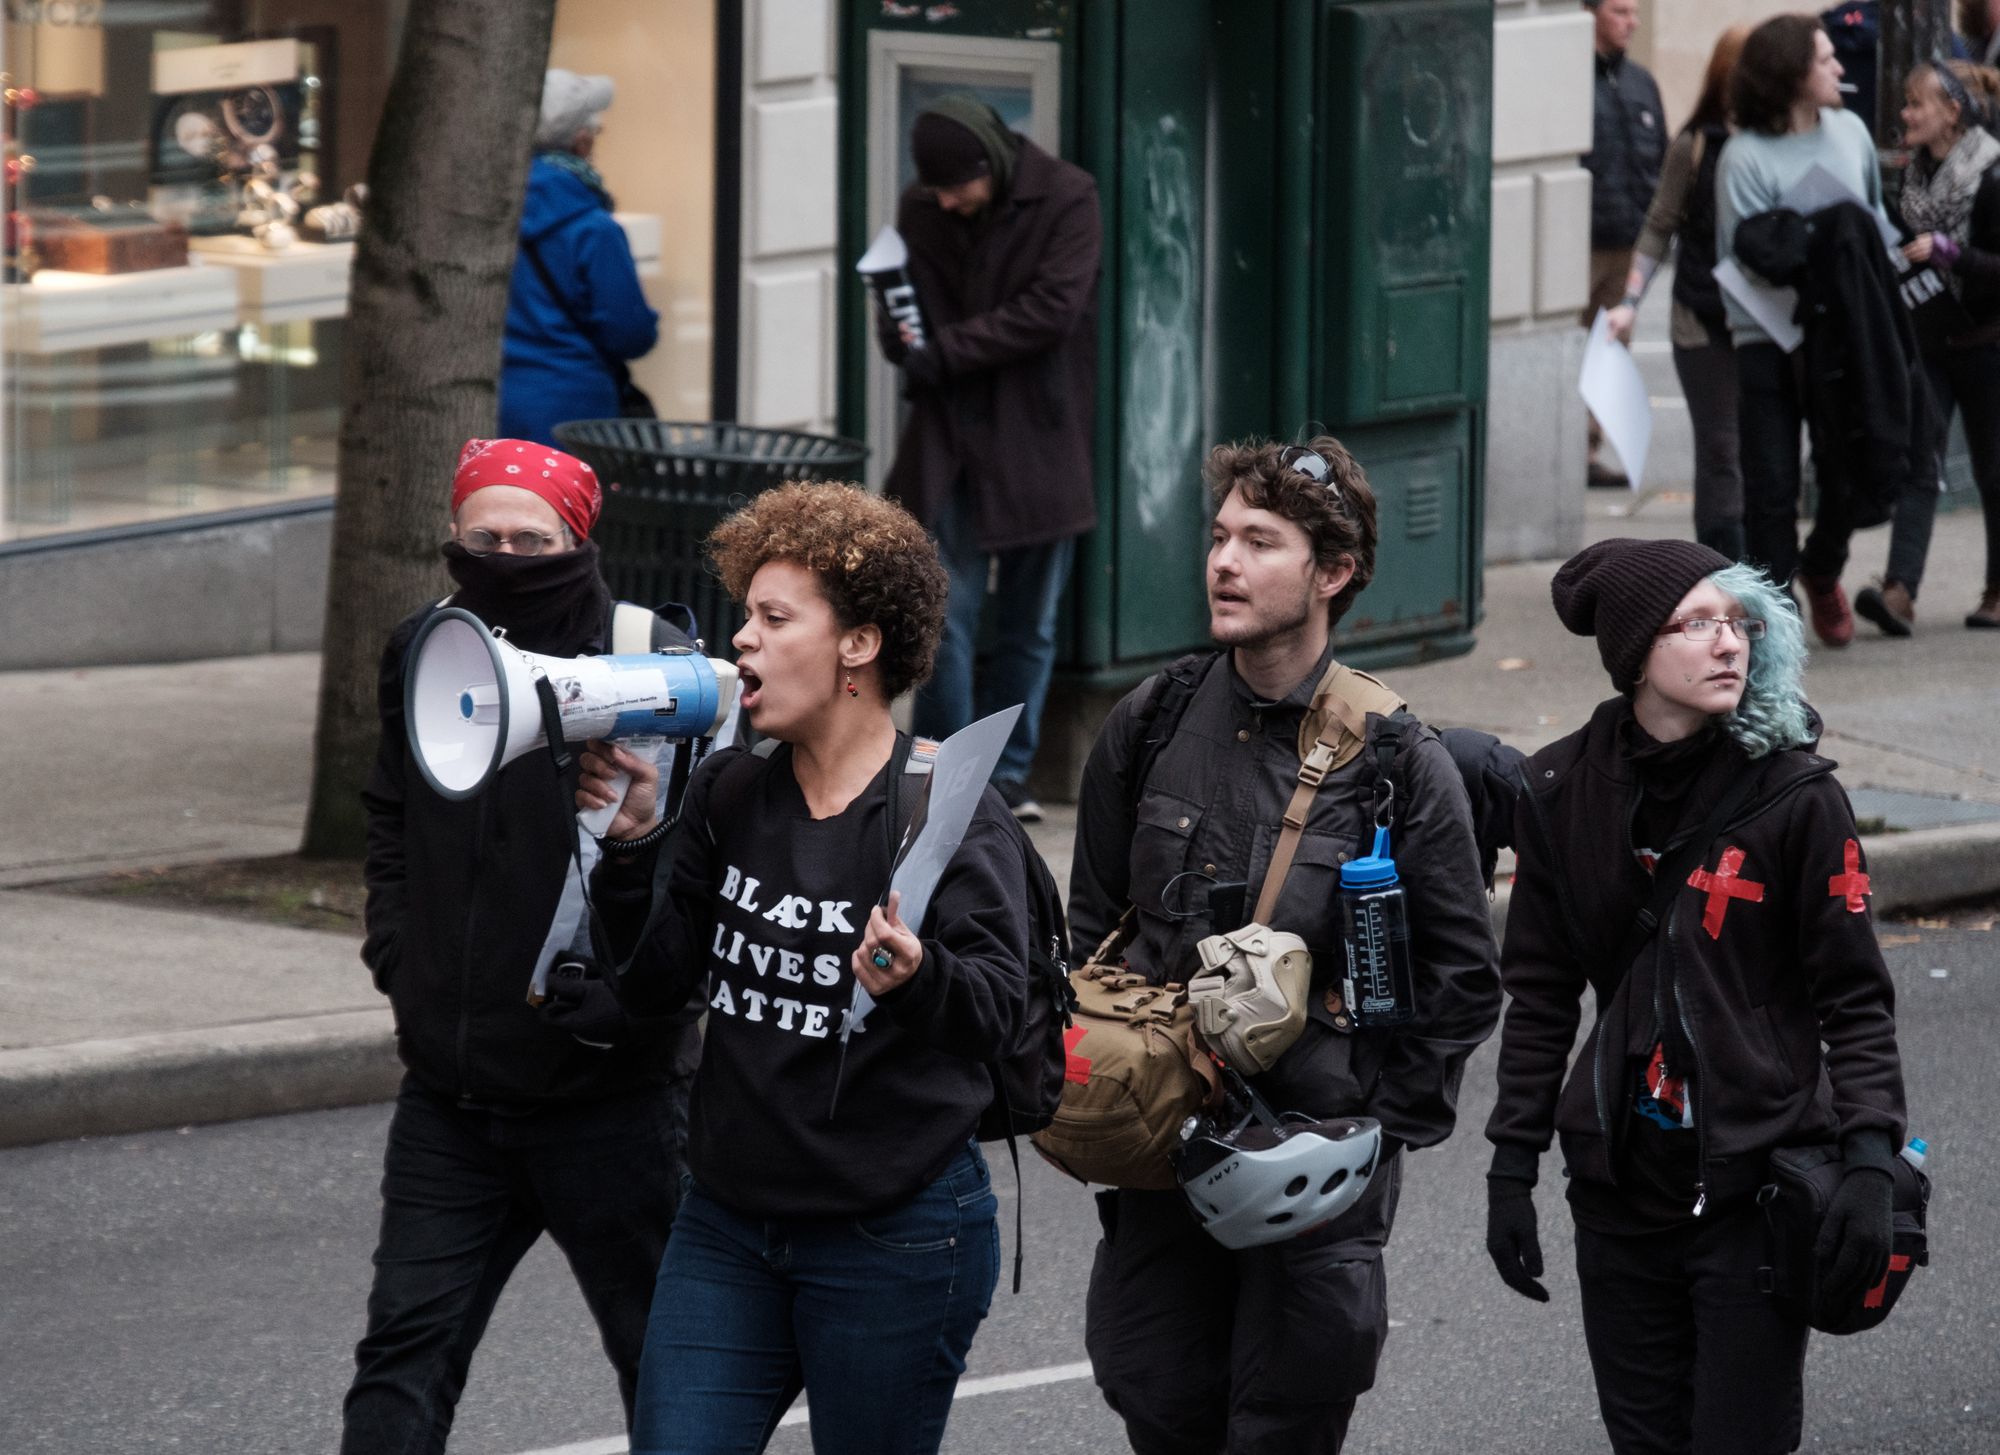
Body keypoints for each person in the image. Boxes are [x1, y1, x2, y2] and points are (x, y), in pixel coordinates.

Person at [1068, 436, 1502, 1454]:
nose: (1222, 561)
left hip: (1307, 1170)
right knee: (1154, 1393)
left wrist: (1359, 1126)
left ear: (1332, 572)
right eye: (1219, 536)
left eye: (1259, 542)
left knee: (1282, 1417)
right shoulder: (1154, 717)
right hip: (1164, 1148)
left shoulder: (1397, 758)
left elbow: (1461, 982)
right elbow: (1089, 922)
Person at [585, 482, 1029, 1455]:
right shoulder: (729, 788)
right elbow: (654, 990)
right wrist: (626, 851)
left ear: (857, 646)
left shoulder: (944, 806)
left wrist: (917, 980)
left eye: (774, 617)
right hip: (727, 1224)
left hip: (895, 1235)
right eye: (745, 614)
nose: (741, 638)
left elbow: (1001, 1011)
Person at [1484, 537, 1907, 1455]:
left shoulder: (1796, 797)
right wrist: (1510, 1169)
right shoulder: (1556, 792)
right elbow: (1543, 996)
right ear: (1637, 652)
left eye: (1736, 621)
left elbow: (1855, 998)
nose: (1728, 644)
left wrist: (1870, 1161)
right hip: (1619, 1193)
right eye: (1695, 623)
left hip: (1756, 1185)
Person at [342, 439, 701, 1452]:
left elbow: (702, 869)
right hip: (453, 1098)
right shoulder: (422, 651)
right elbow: (387, 814)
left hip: (612, 1104)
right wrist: (400, 960)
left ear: (576, 539)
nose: (504, 554)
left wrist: (641, 849)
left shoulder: (654, 660)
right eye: (482, 537)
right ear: (452, 539)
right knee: (402, 1359)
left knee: (664, 1367)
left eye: (529, 539)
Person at [882, 94, 1101, 823]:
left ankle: (1006, 777)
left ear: (990, 165)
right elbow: (907, 314)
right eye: (937, 190)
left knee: (1029, 624)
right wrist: (898, 325)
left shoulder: (1068, 198)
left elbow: (1052, 311)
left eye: (957, 189)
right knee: (945, 612)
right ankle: (945, 767)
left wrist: (943, 354)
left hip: (1038, 438)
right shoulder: (925, 208)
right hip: (951, 443)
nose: (946, 202)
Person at [1715, 14, 1896, 645]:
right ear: (1790, 76)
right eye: (1824, 60)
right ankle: (1777, 620)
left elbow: (1875, 230)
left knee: (1846, 471)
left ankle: (1822, 568)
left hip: (1842, 337)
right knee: (1770, 485)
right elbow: (1747, 255)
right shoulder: (1742, 157)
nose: (1840, 68)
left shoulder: (1850, 132)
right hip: (1768, 338)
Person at [1856, 61, 2000, 634]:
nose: (1905, 115)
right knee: (1921, 461)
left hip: (1987, 341)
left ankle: (1997, 591)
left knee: (1995, 470)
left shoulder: (1990, 175)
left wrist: (1950, 254)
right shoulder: (1910, 176)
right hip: (1929, 341)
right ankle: (1898, 592)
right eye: (1906, 104)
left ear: (1952, 113)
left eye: (1917, 105)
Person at [1609, 27, 1751, 559]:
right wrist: (1629, 302)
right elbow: (1659, 225)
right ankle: (1722, 567)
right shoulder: (1694, 146)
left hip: (1768, 322)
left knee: (1759, 449)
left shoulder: (1780, 140)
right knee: (1720, 448)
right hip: (1702, 318)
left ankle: (1766, 565)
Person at [500, 68, 658, 447]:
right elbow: (631, 334)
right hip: (575, 416)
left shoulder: (484, 214)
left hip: (494, 403)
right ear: (582, 142)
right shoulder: (593, 228)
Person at [1582, 0, 1667, 487]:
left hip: (1628, 240)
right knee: (1575, 348)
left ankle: (1590, 449)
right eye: (1620, 11)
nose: (1631, 22)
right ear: (1589, 12)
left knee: (1611, 349)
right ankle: (1568, 448)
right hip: (1580, 241)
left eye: (1634, 12)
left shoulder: (1641, 82)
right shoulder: (1571, 76)